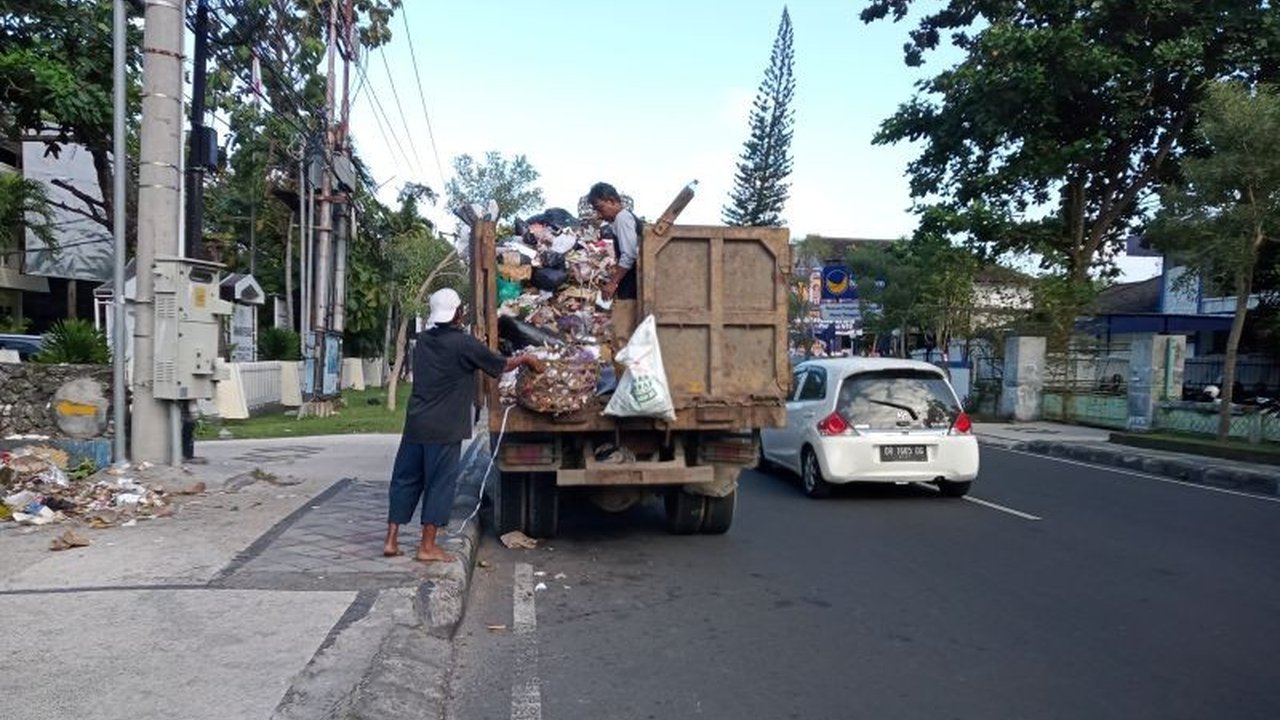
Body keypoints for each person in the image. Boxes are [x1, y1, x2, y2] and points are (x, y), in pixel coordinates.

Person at [383, 287, 543, 562]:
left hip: (416, 424)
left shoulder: (422, 341)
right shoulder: (463, 344)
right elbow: (500, 364)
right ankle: (427, 546)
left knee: (404, 480)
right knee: (439, 484)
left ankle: (391, 540)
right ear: (459, 312)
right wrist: (526, 358)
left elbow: (456, 361)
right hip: (444, 428)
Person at [587, 181, 640, 348]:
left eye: (600, 208)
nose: (599, 214)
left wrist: (613, 282)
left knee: (621, 337)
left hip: (631, 290)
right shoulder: (623, 219)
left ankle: (627, 374)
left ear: (611, 201)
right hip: (632, 287)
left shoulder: (622, 218)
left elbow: (629, 254)